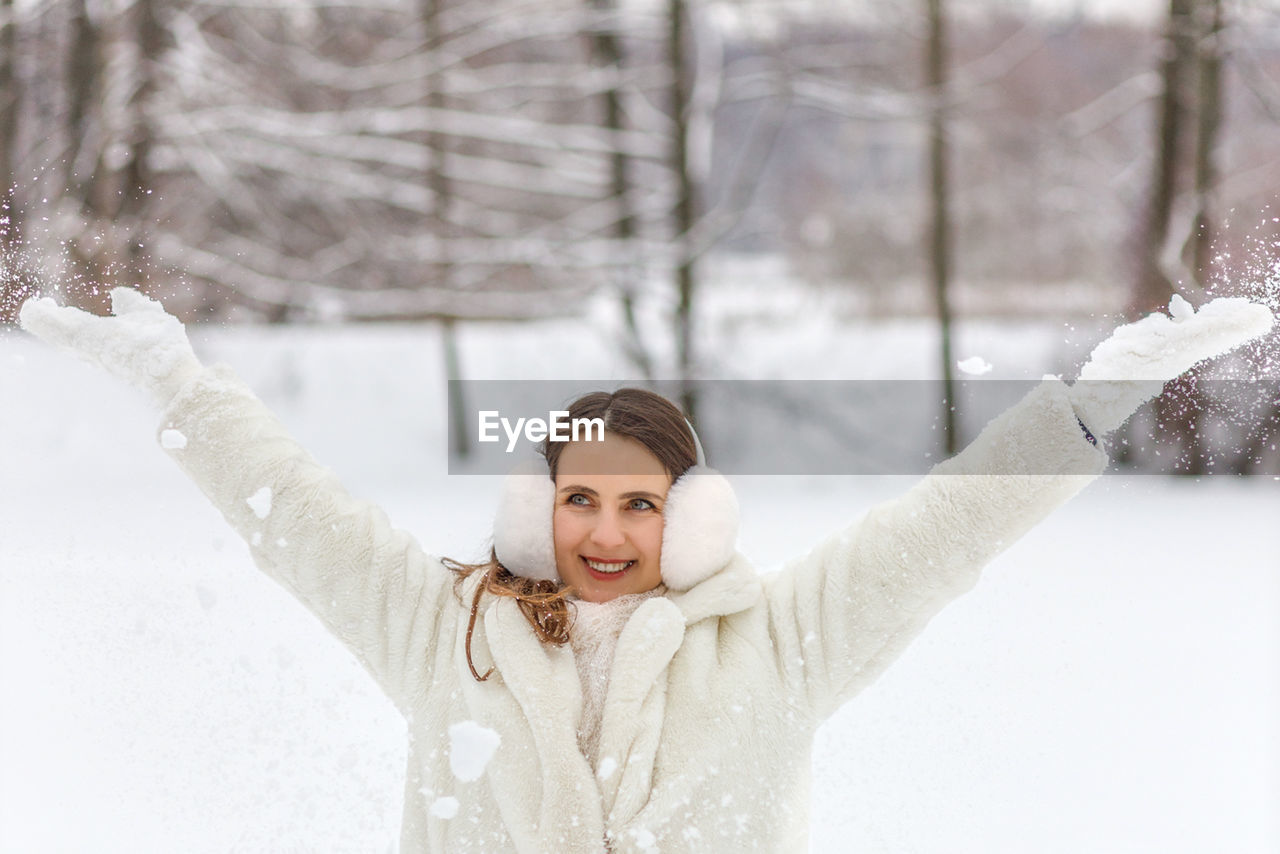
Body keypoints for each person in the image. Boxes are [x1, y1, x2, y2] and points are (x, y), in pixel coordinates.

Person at [17, 288, 1273, 853]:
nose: (603, 532)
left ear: (689, 516)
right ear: (536, 504)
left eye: (636, 503)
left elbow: (945, 528)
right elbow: (292, 511)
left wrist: (1091, 398)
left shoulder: (781, 637)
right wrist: (176, 384)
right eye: (577, 499)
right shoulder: (445, 626)